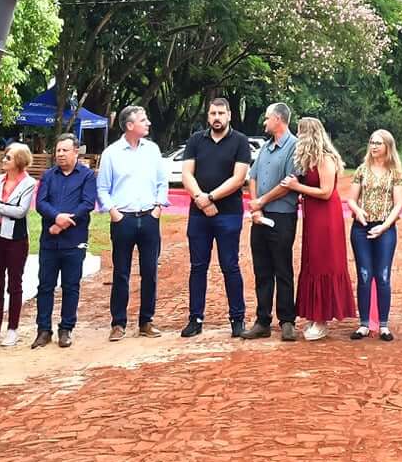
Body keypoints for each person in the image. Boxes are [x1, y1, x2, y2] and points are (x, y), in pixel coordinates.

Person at [179, 96, 252, 338]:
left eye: (221, 113)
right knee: (198, 267)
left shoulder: (240, 141)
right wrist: (200, 198)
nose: (217, 118)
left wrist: (210, 198)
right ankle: (195, 318)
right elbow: (187, 174)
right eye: (213, 114)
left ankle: (237, 319)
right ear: (208, 116)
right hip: (198, 214)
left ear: (229, 115)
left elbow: (238, 178)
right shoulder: (195, 140)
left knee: (230, 266)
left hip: (228, 214)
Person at [99, 104, 168, 341]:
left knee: (150, 272)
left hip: (149, 217)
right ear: (130, 125)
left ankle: (146, 321)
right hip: (123, 219)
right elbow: (102, 188)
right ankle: (118, 323)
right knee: (121, 272)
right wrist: (113, 212)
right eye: (143, 119)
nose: (148, 123)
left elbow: (162, 182)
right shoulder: (111, 153)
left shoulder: (153, 150)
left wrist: (158, 207)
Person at [284, 117, 353, 340]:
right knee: (312, 261)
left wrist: (297, 187)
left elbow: (326, 191)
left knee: (324, 261)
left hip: (326, 217)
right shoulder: (310, 160)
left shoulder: (324, 158)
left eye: (300, 132)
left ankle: (322, 319)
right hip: (313, 215)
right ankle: (315, 315)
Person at [31, 134, 95, 349]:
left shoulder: (87, 176)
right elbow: (41, 203)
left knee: (71, 286)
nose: (59, 154)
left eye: (64, 150)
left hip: (73, 241)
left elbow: (87, 204)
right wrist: (56, 217)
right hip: (49, 241)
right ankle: (43, 329)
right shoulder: (49, 176)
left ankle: (66, 328)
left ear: (76, 151)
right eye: (57, 150)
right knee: (45, 285)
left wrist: (64, 223)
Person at [244, 102, 300, 341]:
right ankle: (262, 320)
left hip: (281, 216)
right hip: (260, 216)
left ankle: (287, 320)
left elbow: (289, 183)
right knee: (262, 269)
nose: (264, 122)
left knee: (282, 268)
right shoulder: (265, 148)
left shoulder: (294, 147)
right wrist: (256, 206)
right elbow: (252, 177)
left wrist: (262, 202)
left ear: (279, 119)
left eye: (267, 118)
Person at [347, 129, 402, 341]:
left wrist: (384, 226)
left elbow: (398, 203)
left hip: (385, 227)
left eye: (379, 143)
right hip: (361, 226)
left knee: (382, 275)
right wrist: (358, 211)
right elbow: (351, 198)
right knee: (364, 274)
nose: (374, 146)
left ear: (387, 147)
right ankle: (364, 323)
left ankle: (383, 324)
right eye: (372, 142)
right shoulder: (362, 170)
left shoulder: (395, 173)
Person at [0, 142, 37, 346]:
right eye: (5, 156)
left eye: (9, 157)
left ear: (19, 161)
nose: (4, 160)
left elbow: (20, 211)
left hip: (16, 238)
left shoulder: (28, 183)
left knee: (15, 283)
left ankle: (13, 328)